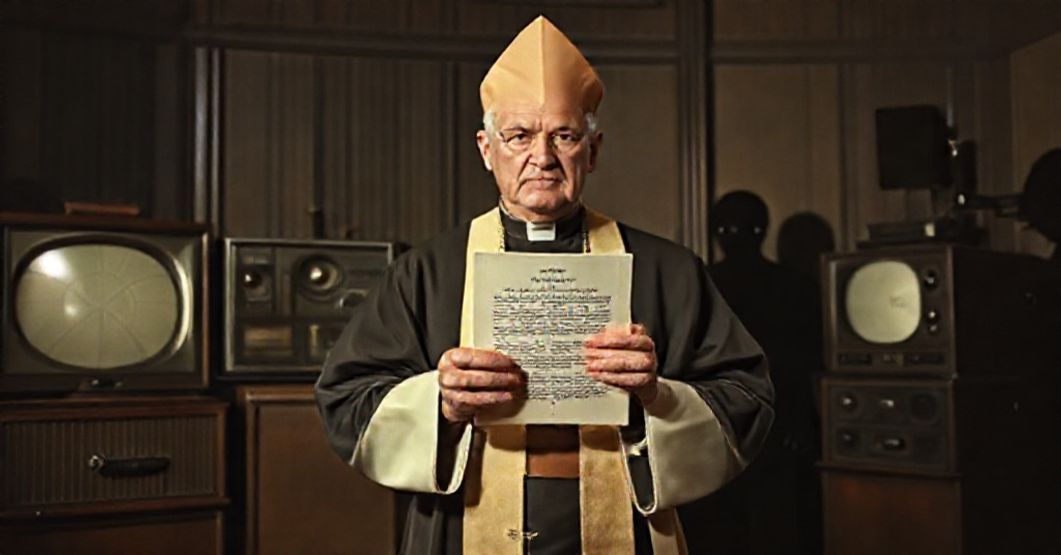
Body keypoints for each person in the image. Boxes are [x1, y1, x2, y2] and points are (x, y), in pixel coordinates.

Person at [316, 16, 773, 555]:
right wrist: (439, 403)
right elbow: (346, 400)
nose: (543, 157)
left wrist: (657, 395)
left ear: (594, 150)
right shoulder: (426, 273)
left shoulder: (666, 269)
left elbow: (745, 398)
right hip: (466, 526)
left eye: (564, 135)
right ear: (487, 150)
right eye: (519, 136)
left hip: (620, 519)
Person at [704, 191, 823, 555]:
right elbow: (809, 362)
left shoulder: (702, 285)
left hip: (718, 433)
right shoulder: (797, 286)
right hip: (781, 432)